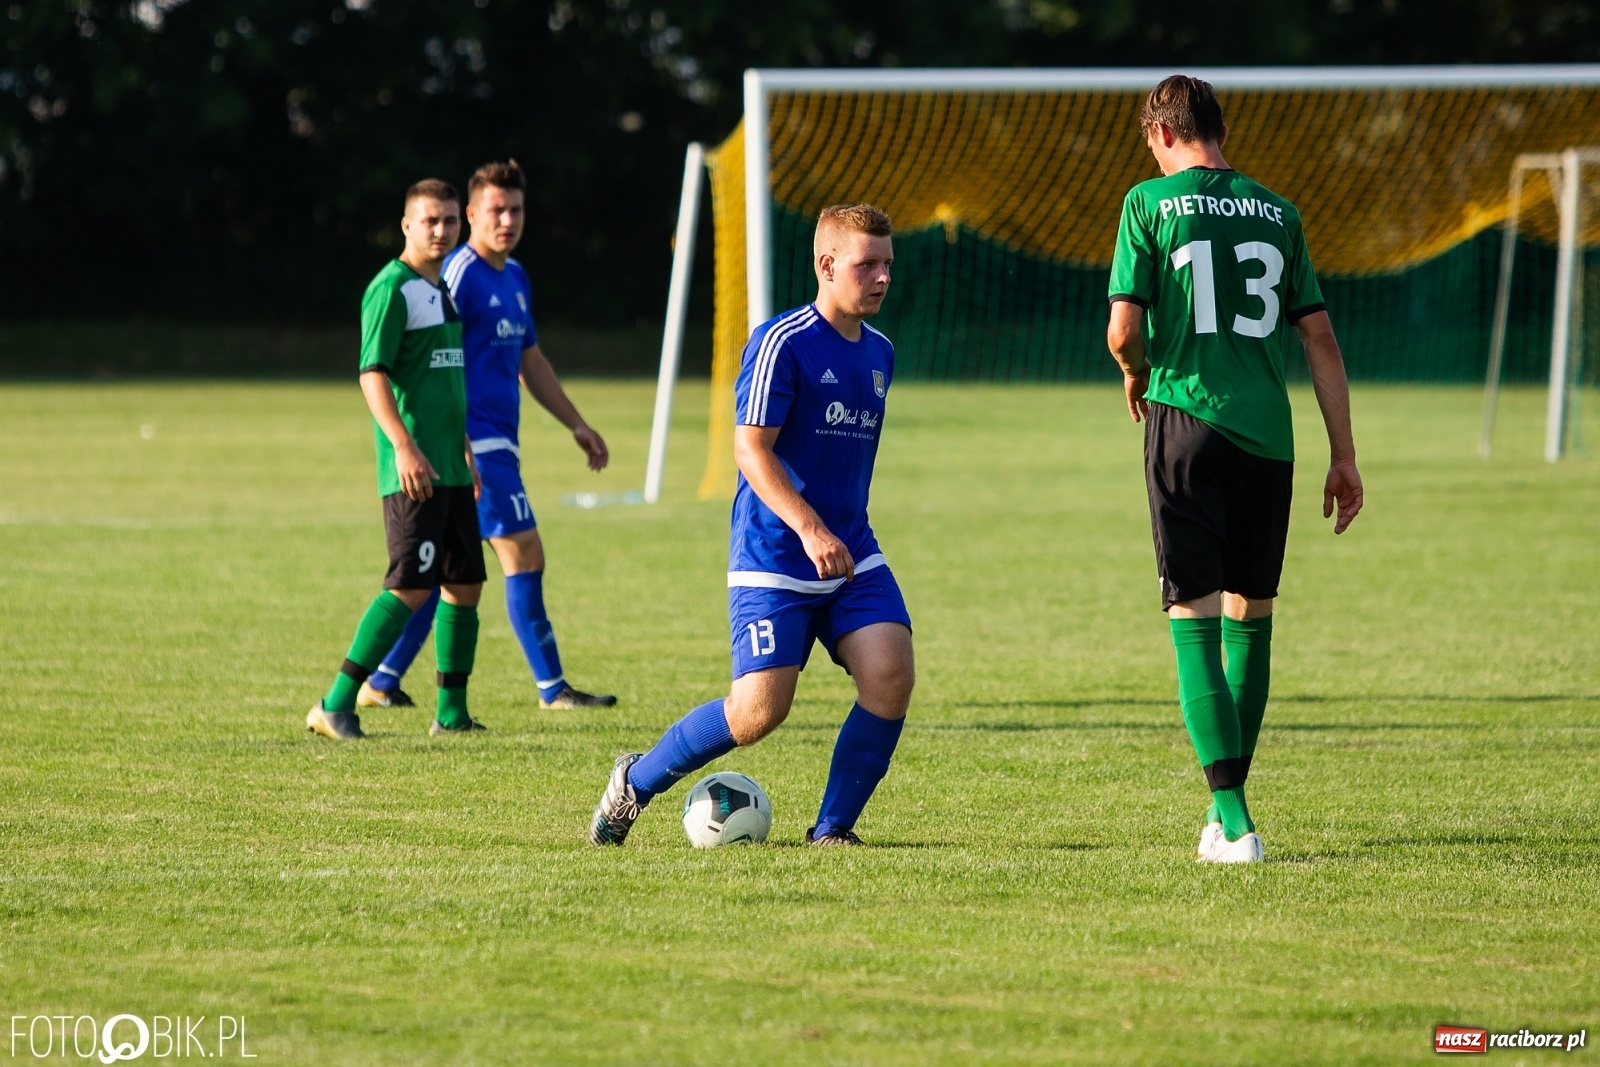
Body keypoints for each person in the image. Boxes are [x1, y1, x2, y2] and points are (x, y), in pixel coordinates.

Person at [589, 204, 914, 846]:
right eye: (866, 264)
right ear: (826, 265)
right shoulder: (781, 343)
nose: (880, 277)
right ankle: (636, 780)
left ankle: (832, 831)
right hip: (776, 552)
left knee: (890, 674)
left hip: (851, 550)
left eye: (886, 265)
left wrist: (834, 533)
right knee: (758, 713)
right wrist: (809, 529)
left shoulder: (880, 352)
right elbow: (750, 449)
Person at [1106, 75, 1364, 862]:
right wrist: (1344, 454)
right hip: (1269, 439)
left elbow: (1122, 332)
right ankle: (1228, 814)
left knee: (1194, 618)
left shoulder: (1147, 205)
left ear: (1159, 133)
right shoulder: (1279, 211)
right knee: (1253, 616)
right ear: (1223, 130)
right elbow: (1320, 340)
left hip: (1185, 420)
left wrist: (1134, 372)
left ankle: (1236, 820)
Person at [357, 160, 616, 712]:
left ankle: (381, 679)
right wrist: (436, 442)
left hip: (497, 443)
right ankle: (552, 689)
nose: (507, 219)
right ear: (471, 214)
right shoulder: (456, 273)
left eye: (516, 209)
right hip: (470, 446)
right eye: (496, 209)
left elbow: (531, 359)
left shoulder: (514, 276)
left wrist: (576, 423)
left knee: (447, 571)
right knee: (523, 552)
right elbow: (422, 362)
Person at [307, 179, 488, 741]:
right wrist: (404, 446)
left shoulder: (443, 291)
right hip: (414, 471)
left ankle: (451, 714)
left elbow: (445, 384)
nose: (442, 231)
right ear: (406, 225)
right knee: (411, 586)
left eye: (451, 221)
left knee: (465, 584)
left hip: (452, 469)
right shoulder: (391, 287)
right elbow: (371, 373)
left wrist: (465, 452)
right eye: (430, 221)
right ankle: (335, 703)